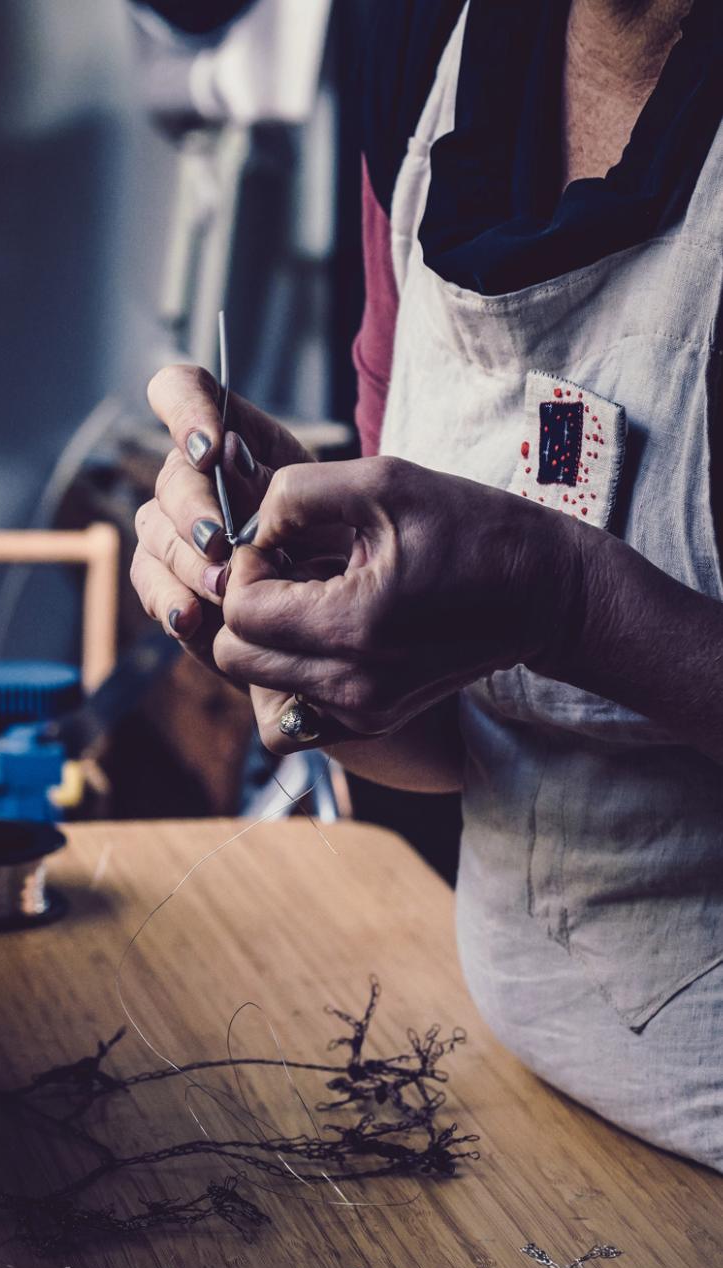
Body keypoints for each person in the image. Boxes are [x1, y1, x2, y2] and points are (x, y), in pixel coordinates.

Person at [130, 0, 723, 1170]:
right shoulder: (412, 35)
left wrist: (570, 603)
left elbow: (550, 614)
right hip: (532, 1100)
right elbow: (464, 747)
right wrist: (287, 615)